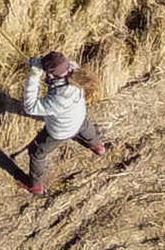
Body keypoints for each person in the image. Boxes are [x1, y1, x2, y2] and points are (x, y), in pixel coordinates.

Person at [13, 50, 111, 195]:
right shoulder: (77, 74)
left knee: (36, 153)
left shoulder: (59, 98)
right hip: (79, 119)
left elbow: (31, 107)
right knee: (88, 130)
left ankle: (36, 186)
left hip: (59, 132)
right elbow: (62, 66)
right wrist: (41, 63)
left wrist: (34, 73)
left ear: (51, 74)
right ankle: (98, 147)